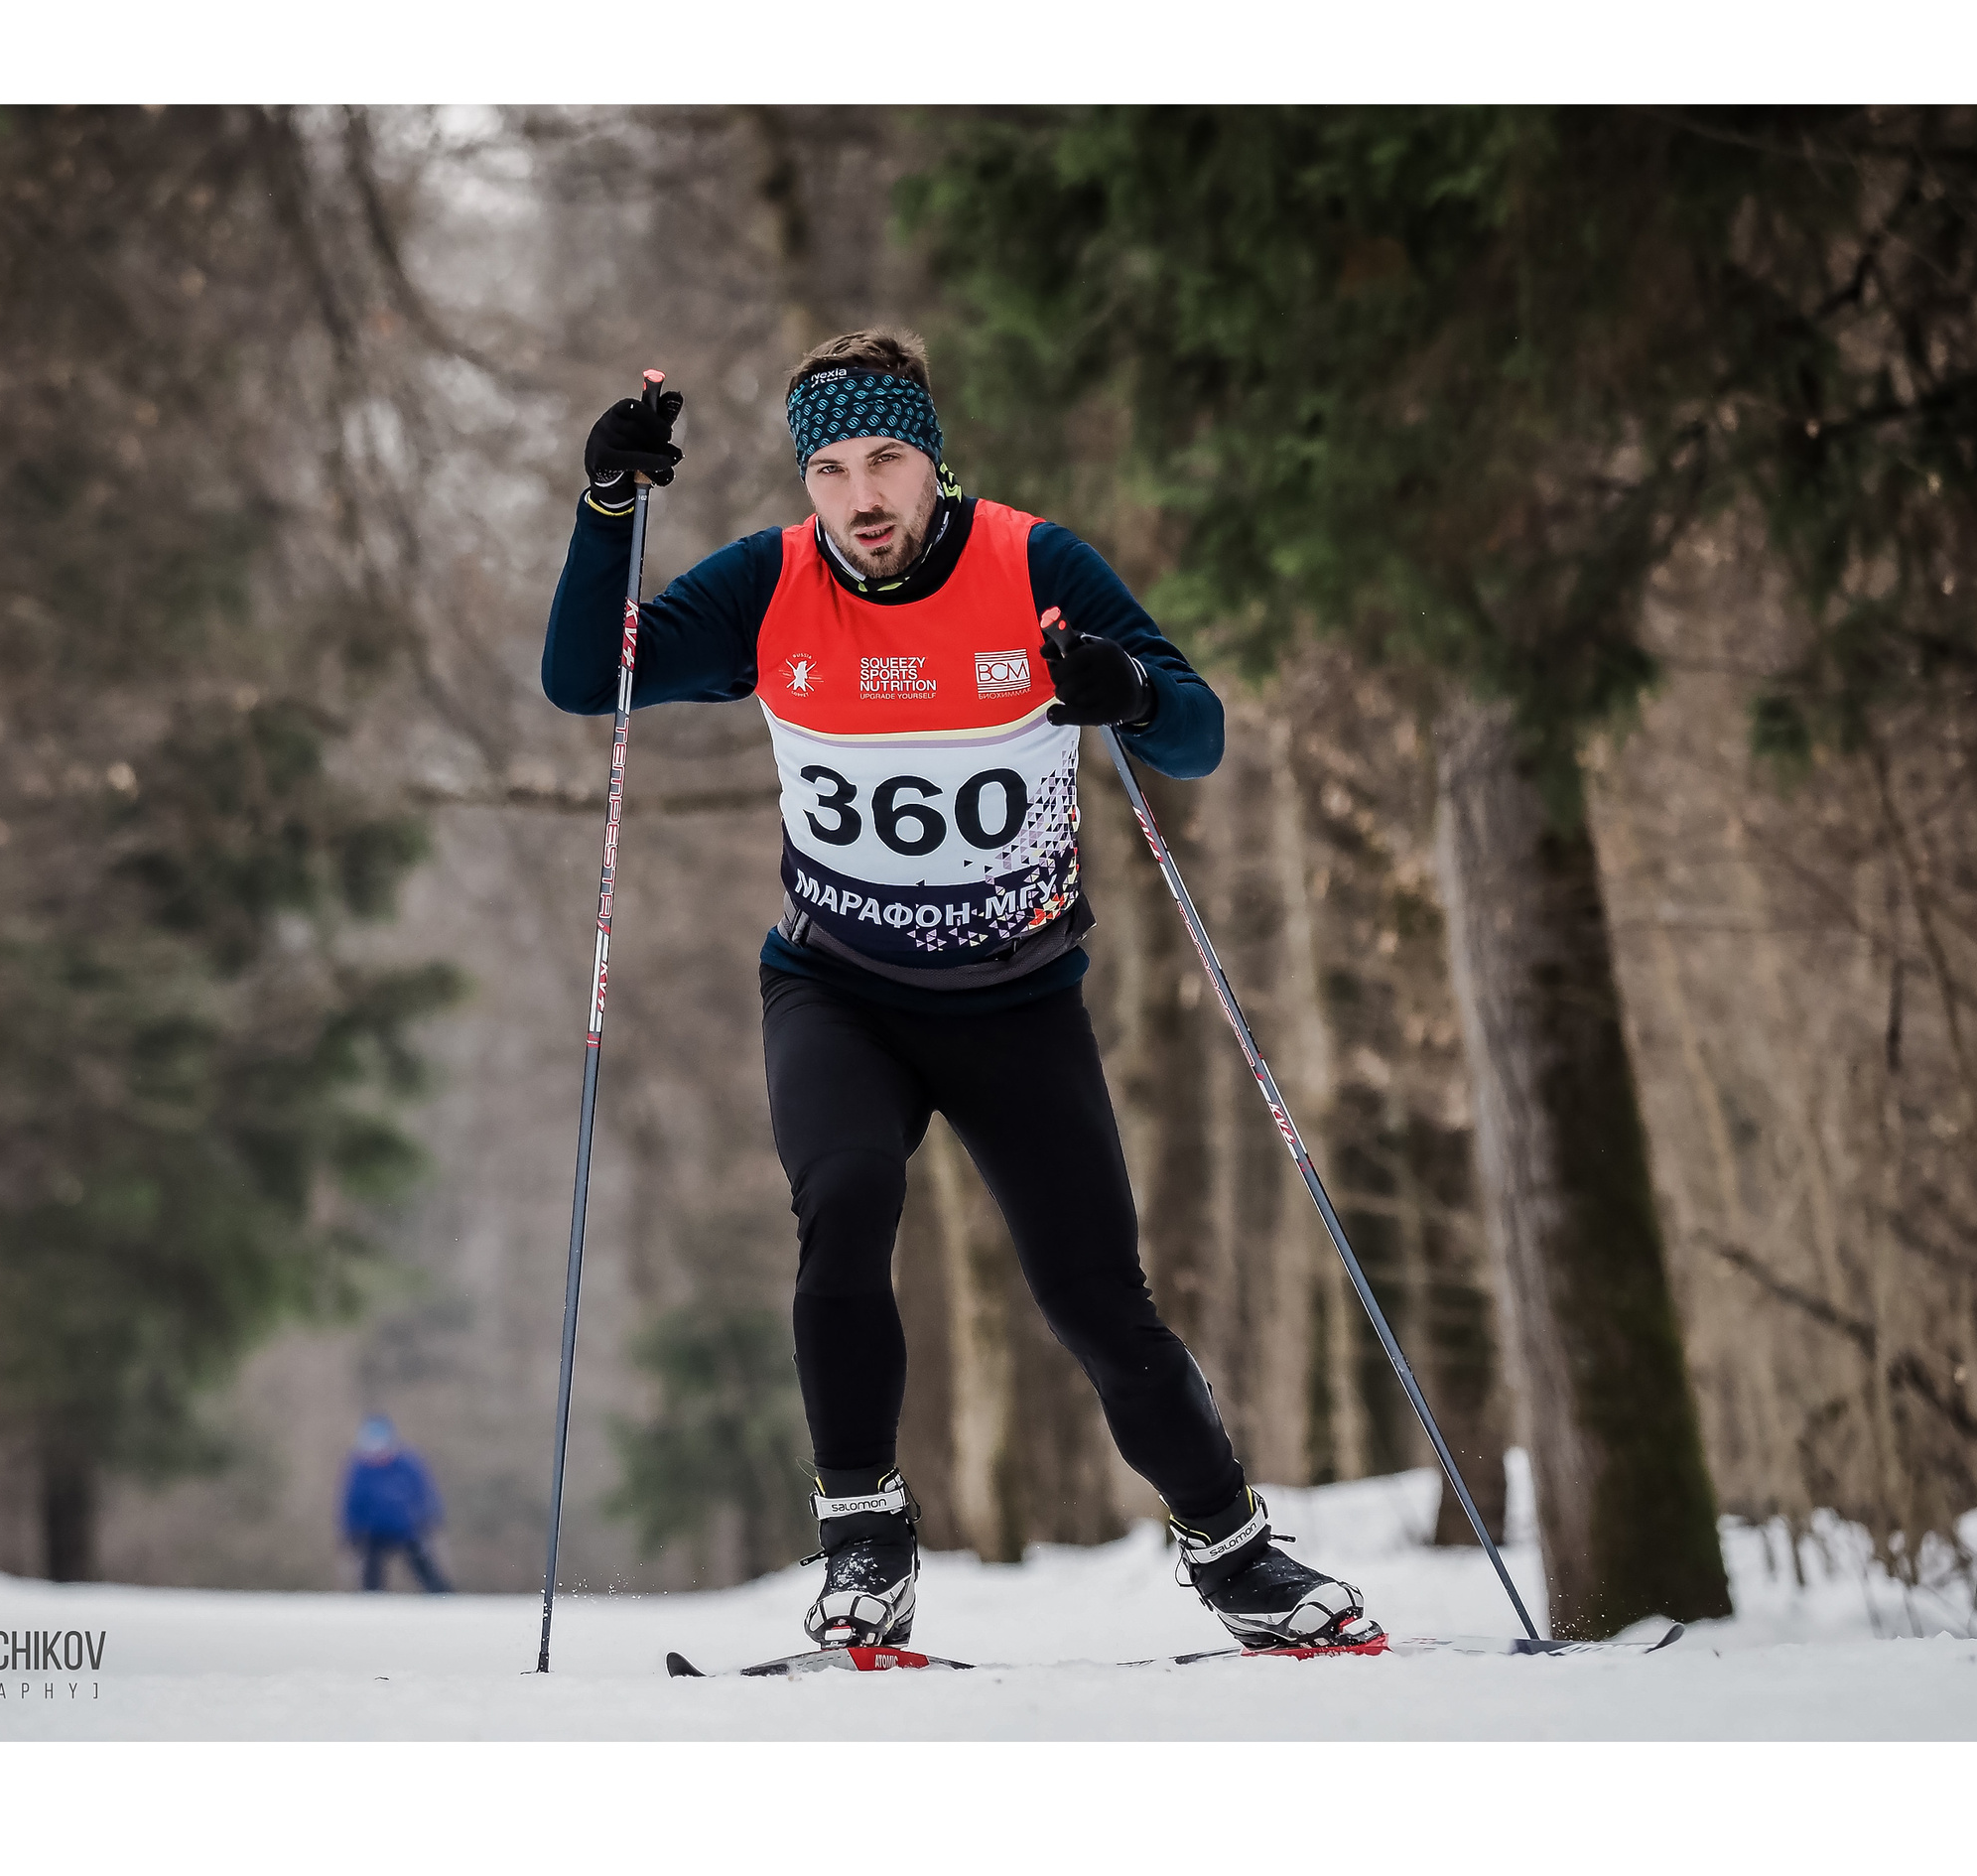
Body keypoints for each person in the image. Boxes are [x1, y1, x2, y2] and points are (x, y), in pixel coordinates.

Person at [542, 330, 1381, 1655]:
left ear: (933, 460)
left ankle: (1234, 1555)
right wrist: (605, 511)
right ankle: (864, 1544)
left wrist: (1126, 690)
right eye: (828, 469)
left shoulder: (1034, 565)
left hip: (1015, 998)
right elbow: (591, 678)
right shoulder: (770, 584)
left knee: (1097, 1296)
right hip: (838, 986)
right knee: (848, 1201)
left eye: (885, 460)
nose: (860, 498)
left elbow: (1198, 731)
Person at [339, 1414, 453, 1593]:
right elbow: (352, 1502)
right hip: (374, 1533)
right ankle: (371, 1603)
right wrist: (350, 1531)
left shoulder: (407, 1463)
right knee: (370, 1572)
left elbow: (424, 1493)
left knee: (424, 1566)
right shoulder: (360, 1469)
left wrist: (431, 1519)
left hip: (407, 1529)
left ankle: (443, 1598)